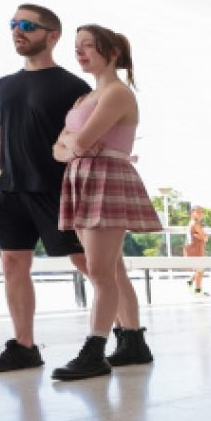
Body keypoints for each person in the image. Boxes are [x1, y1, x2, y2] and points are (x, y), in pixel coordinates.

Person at [0, 4, 98, 373]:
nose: (17, 31)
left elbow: (85, 142)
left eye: (27, 25)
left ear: (52, 35)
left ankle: (123, 332)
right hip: (11, 190)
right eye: (13, 24)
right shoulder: (2, 86)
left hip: (56, 190)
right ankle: (24, 347)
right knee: (12, 262)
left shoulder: (74, 87)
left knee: (90, 264)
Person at [49, 23, 163, 381]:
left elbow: (77, 144)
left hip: (105, 179)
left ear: (111, 53)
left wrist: (74, 144)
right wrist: (74, 144)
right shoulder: (84, 98)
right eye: (77, 47)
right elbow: (59, 149)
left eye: (89, 47)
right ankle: (133, 342)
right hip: (85, 178)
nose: (80, 52)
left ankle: (95, 349)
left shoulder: (117, 93)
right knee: (112, 269)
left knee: (99, 271)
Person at [184, 206, 210, 295]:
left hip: (193, 248)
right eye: (198, 212)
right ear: (192, 213)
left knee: (199, 269)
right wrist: (203, 236)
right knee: (200, 270)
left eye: (201, 212)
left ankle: (190, 282)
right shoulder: (195, 224)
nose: (200, 214)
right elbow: (205, 237)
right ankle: (198, 290)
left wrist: (202, 236)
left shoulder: (192, 223)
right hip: (195, 249)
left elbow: (202, 236)